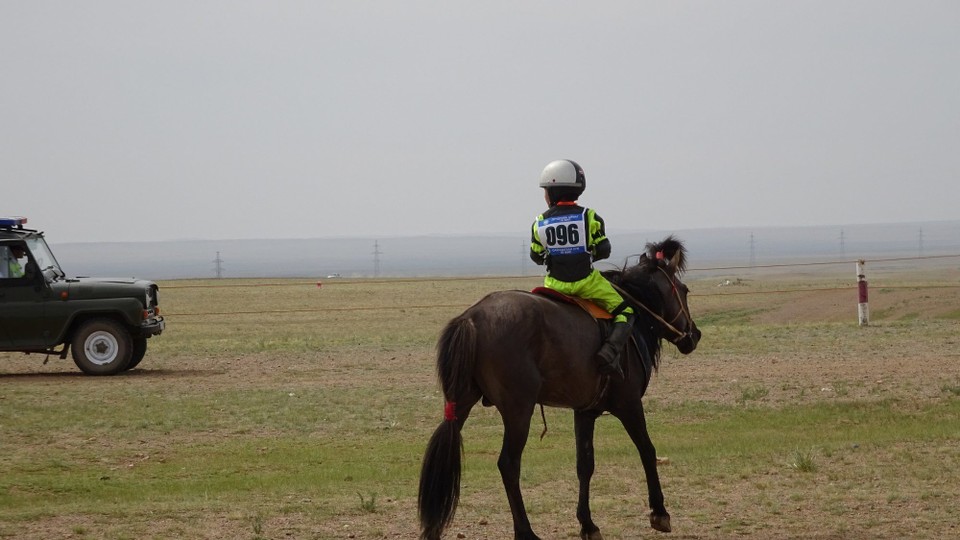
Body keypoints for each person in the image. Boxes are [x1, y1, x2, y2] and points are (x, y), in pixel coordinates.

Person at [530, 159, 635, 377]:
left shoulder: (539, 222)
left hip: (554, 286)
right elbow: (604, 250)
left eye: (545, 191)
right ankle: (609, 353)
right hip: (587, 283)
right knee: (626, 311)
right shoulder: (590, 216)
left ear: (553, 192)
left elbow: (535, 256)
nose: (544, 195)